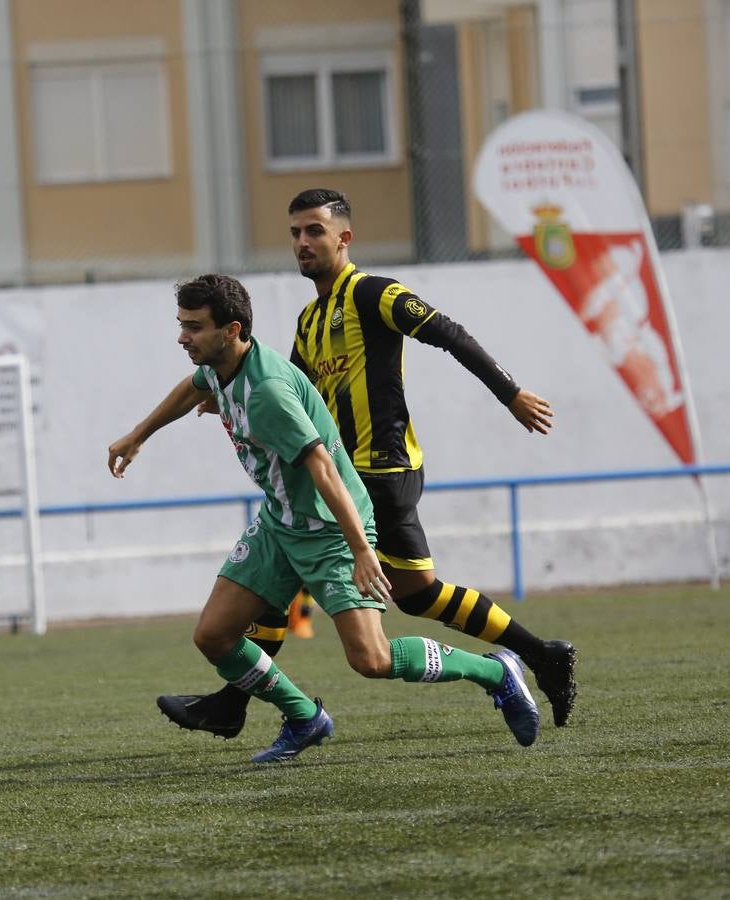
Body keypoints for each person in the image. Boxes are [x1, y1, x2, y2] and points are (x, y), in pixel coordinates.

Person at [157, 188, 577, 740]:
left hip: (378, 470)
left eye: (314, 231)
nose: (302, 243)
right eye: (295, 233)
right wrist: (225, 401)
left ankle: (242, 703)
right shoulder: (309, 320)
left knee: (348, 587)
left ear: (344, 238)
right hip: (331, 475)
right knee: (411, 592)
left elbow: (450, 335)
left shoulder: (375, 294)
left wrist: (511, 393)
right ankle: (538, 654)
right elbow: (290, 391)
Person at [108, 274, 540, 762]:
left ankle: (496, 672)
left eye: (194, 327)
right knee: (213, 635)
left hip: (331, 532)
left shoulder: (268, 391)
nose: (182, 337)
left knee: (372, 659)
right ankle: (303, 716)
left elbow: (324, 468)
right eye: (182, 325)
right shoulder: (220, 368)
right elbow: (192, 388)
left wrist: (360, 550)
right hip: (280, 524)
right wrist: (138, 435)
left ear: (231, 330)